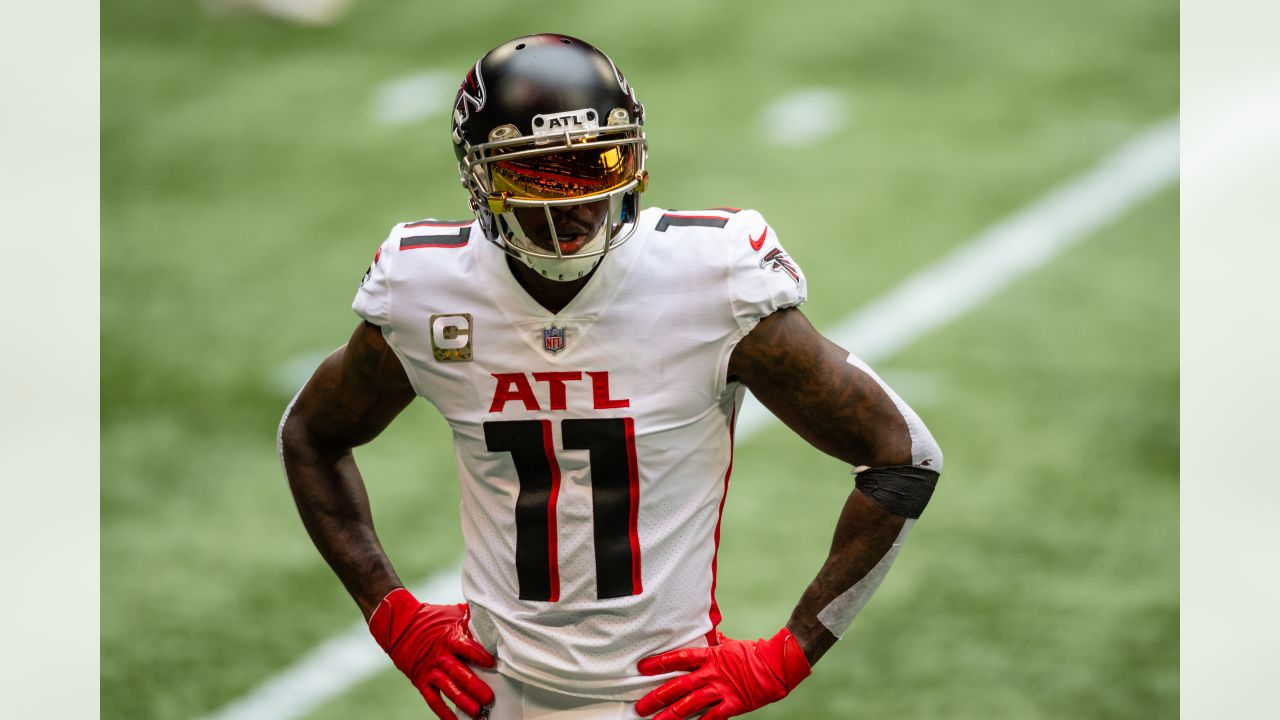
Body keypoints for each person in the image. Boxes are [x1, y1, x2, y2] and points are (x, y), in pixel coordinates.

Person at [279, 33, 943, 720]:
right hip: (492, 693)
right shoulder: (429, 288)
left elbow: (904, 455)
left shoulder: (710, 280)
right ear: (480, 179)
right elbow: (310, 436)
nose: (579, 200)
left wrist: (787, 655)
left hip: (660, 699)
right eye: (539, 172)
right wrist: (393, 614)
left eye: (600, 162)